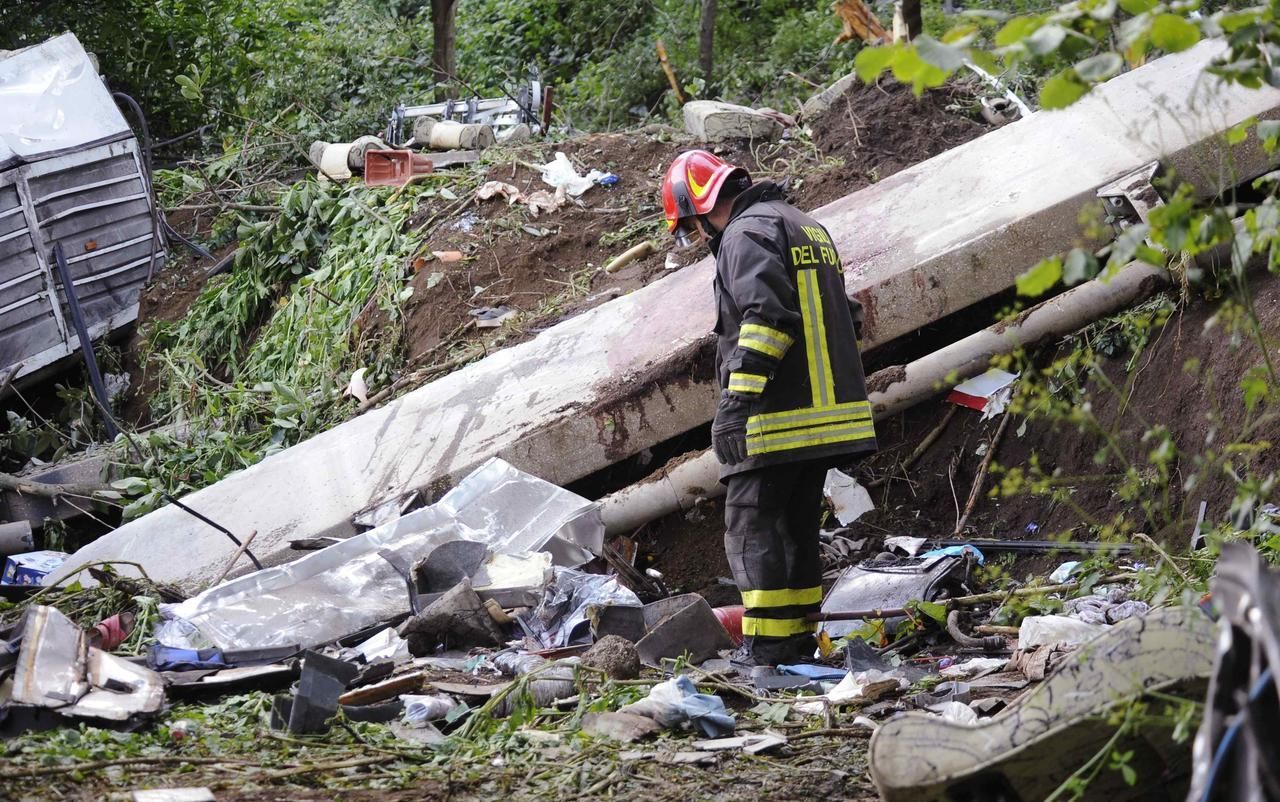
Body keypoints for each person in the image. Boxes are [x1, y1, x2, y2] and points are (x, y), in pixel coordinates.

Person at [660, 150, 878, 666]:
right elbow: (847, 314)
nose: (696, 237)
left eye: (690, 225)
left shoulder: (743, 235)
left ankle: (769, 655)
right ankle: (799, 645)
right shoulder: (806, 226)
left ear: (701, 206)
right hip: (827, 416)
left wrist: (736, 404)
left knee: (752, 528)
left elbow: (765, 321)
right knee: (795, 531)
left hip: (779, 418)